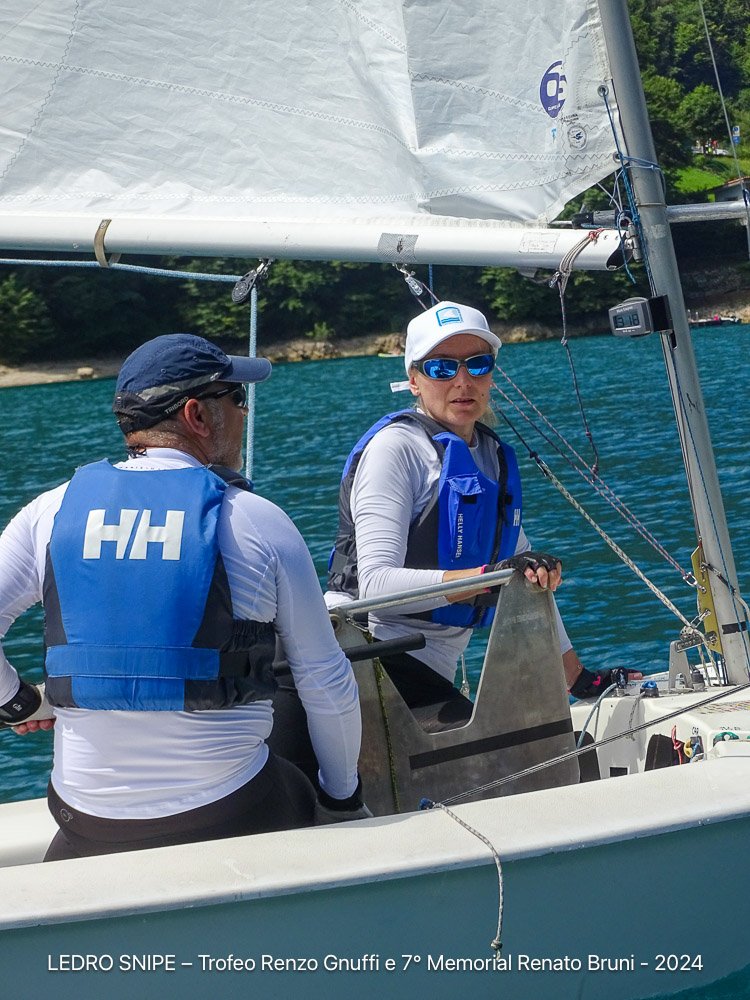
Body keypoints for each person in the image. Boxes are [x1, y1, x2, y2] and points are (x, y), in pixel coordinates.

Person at [0, 333, 368, 861]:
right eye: (237, 398)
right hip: (231, 809)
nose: (244, 412)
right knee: (301, 762)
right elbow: (325, 680)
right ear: (197, 414)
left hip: (86, 820)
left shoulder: (49, 513)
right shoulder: (255, 520)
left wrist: (16, 702)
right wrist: (343, 799)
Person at [326, 301, 628, 725]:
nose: (463, 381)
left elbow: (522, 571)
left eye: (478, 364)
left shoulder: (490, 456)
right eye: (442, 367)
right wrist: (488, 578)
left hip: (427, 673)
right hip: (366, 658)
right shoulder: (396, 450)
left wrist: (578, 679)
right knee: (506, 755)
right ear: (413, 380)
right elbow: (375, 586)